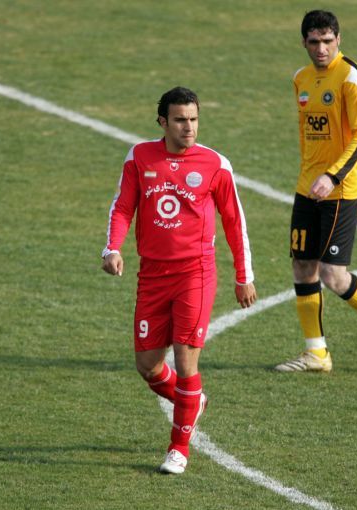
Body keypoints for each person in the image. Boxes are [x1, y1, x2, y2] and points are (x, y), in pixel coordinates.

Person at [101, 86, 257, 474]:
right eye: (180, 120)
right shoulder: (140, 157)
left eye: (194, 119)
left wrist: (244, 276)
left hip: (195, 274)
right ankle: (192, 401)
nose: (189, 127)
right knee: (148, 365)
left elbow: (234, 222)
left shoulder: (215, 164)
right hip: (152, 274)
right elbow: (123, 207)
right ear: (162, 122)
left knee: (186, 362)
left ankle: (178, 448)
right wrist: (112, 248)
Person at [275, 10, 357, 373]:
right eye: (314, 42)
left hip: (342, 189)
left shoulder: (351, 77)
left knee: (332, 274)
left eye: (328, 41)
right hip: (308, 188)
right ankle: (316, 353)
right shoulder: (301, 79)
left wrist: (332, 177)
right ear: (304, 42)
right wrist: (310, 176)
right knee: (302, 266)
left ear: (339, 39)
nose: (321, 48)